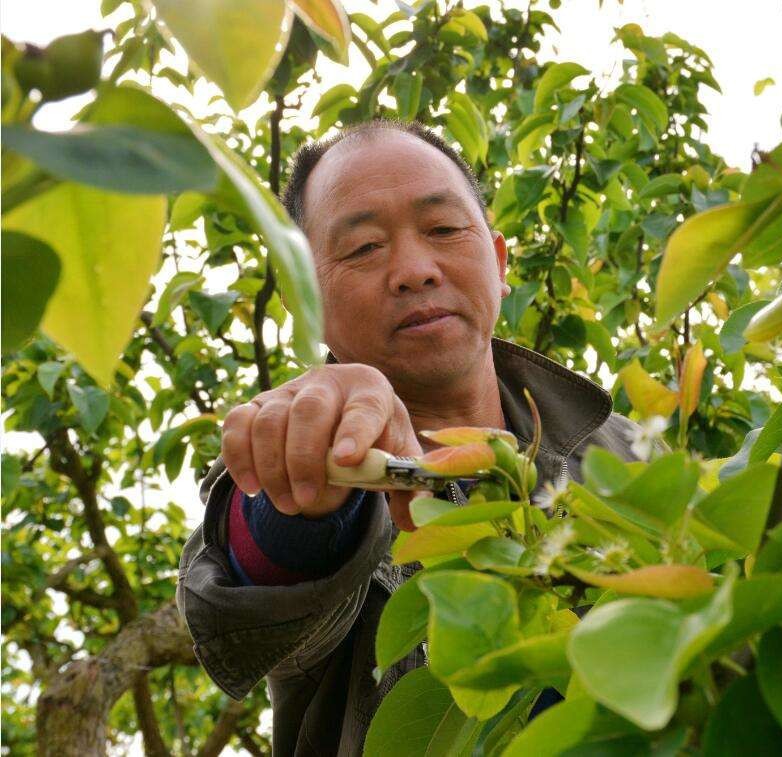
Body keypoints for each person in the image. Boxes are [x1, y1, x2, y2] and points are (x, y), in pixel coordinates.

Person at [176, 120, 643, 755]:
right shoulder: (318, 462)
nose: (415, 270)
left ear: (500, 263)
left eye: (445, 229)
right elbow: (268, 559)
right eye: (364, 247)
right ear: (305, 302)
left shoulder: (632, 454)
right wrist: (319, 477)